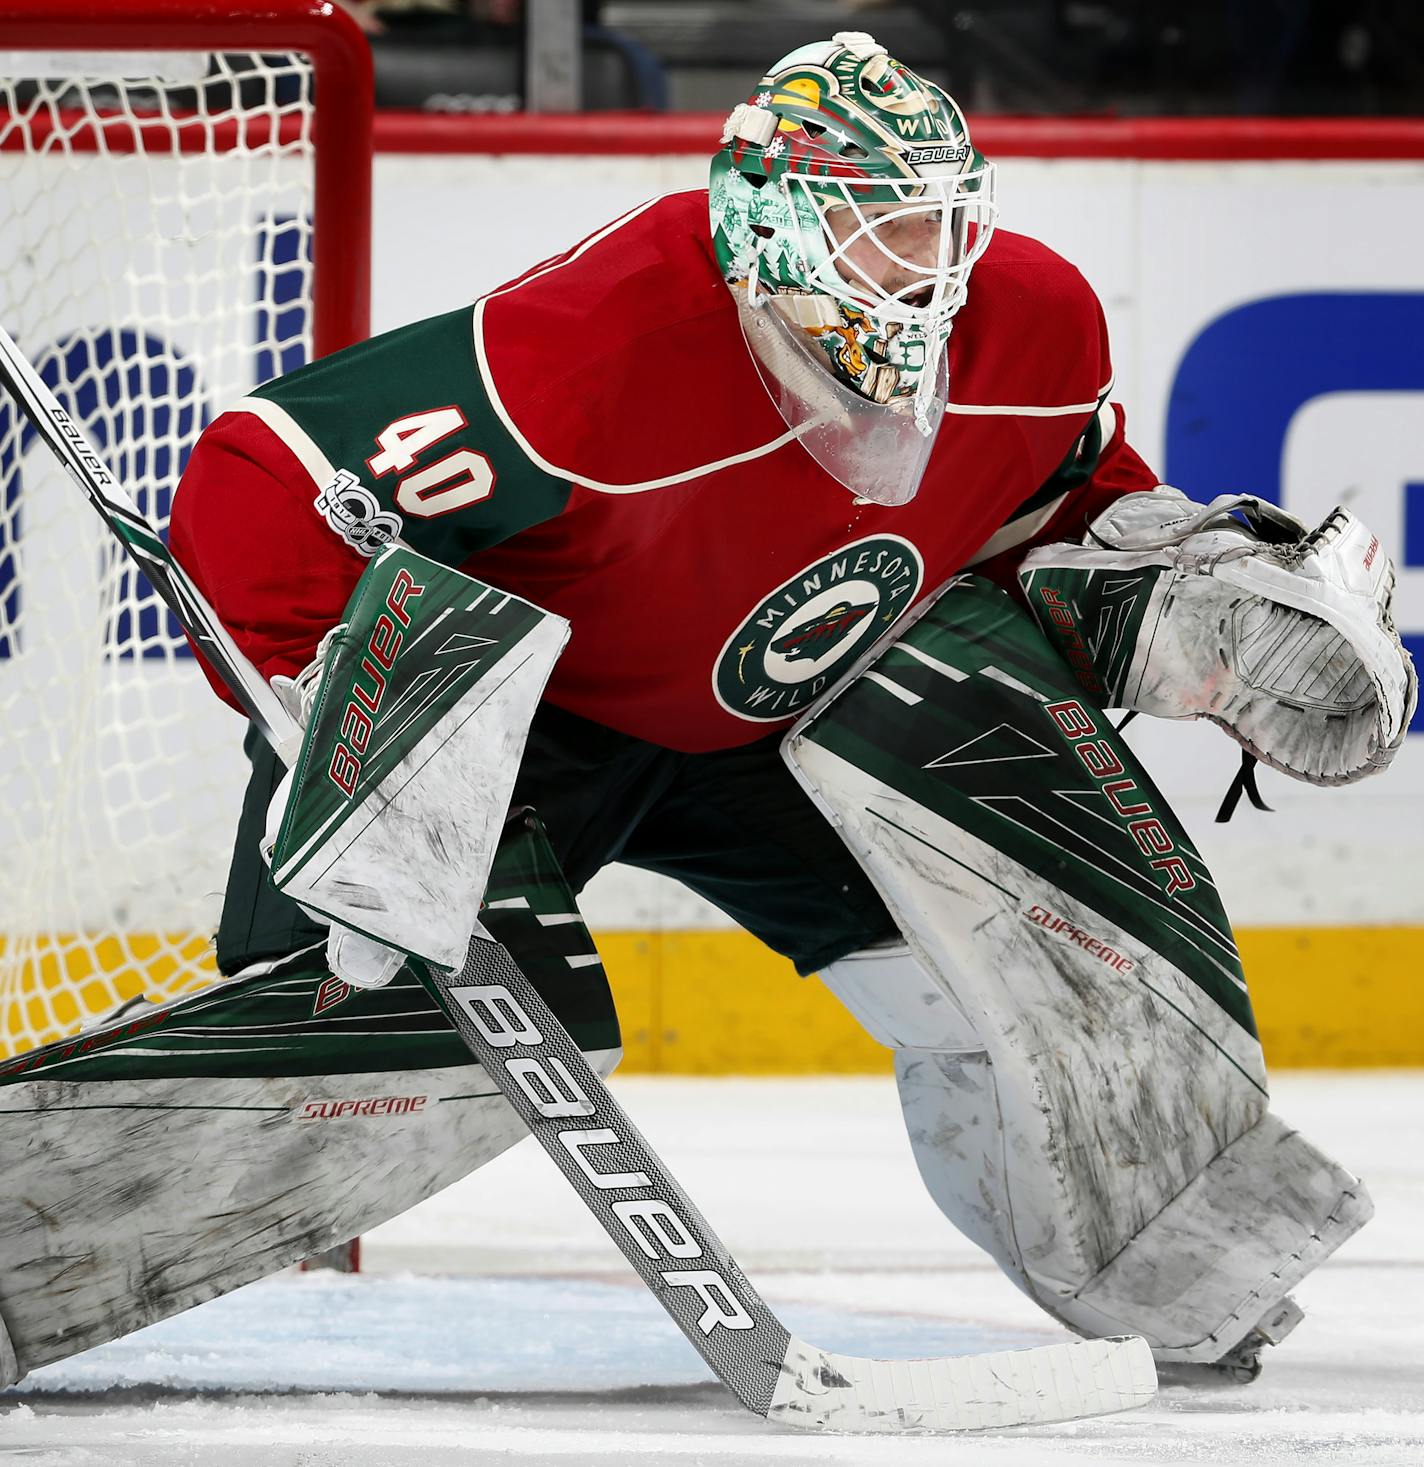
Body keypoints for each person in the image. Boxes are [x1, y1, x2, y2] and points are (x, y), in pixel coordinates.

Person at [170, 31, 1412, 1376]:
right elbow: (268, 470)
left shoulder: (1034, 320)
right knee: (352, 1043)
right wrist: (330, 731)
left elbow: (1053, 497)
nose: (931, 269)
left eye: (944, 223)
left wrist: (1171, 595)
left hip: (796, 733)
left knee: (994, 980)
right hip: (527, 726)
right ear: (774, 233)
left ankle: (1158, 1257)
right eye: (885, 233)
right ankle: (100, 1208)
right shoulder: (596, 349)